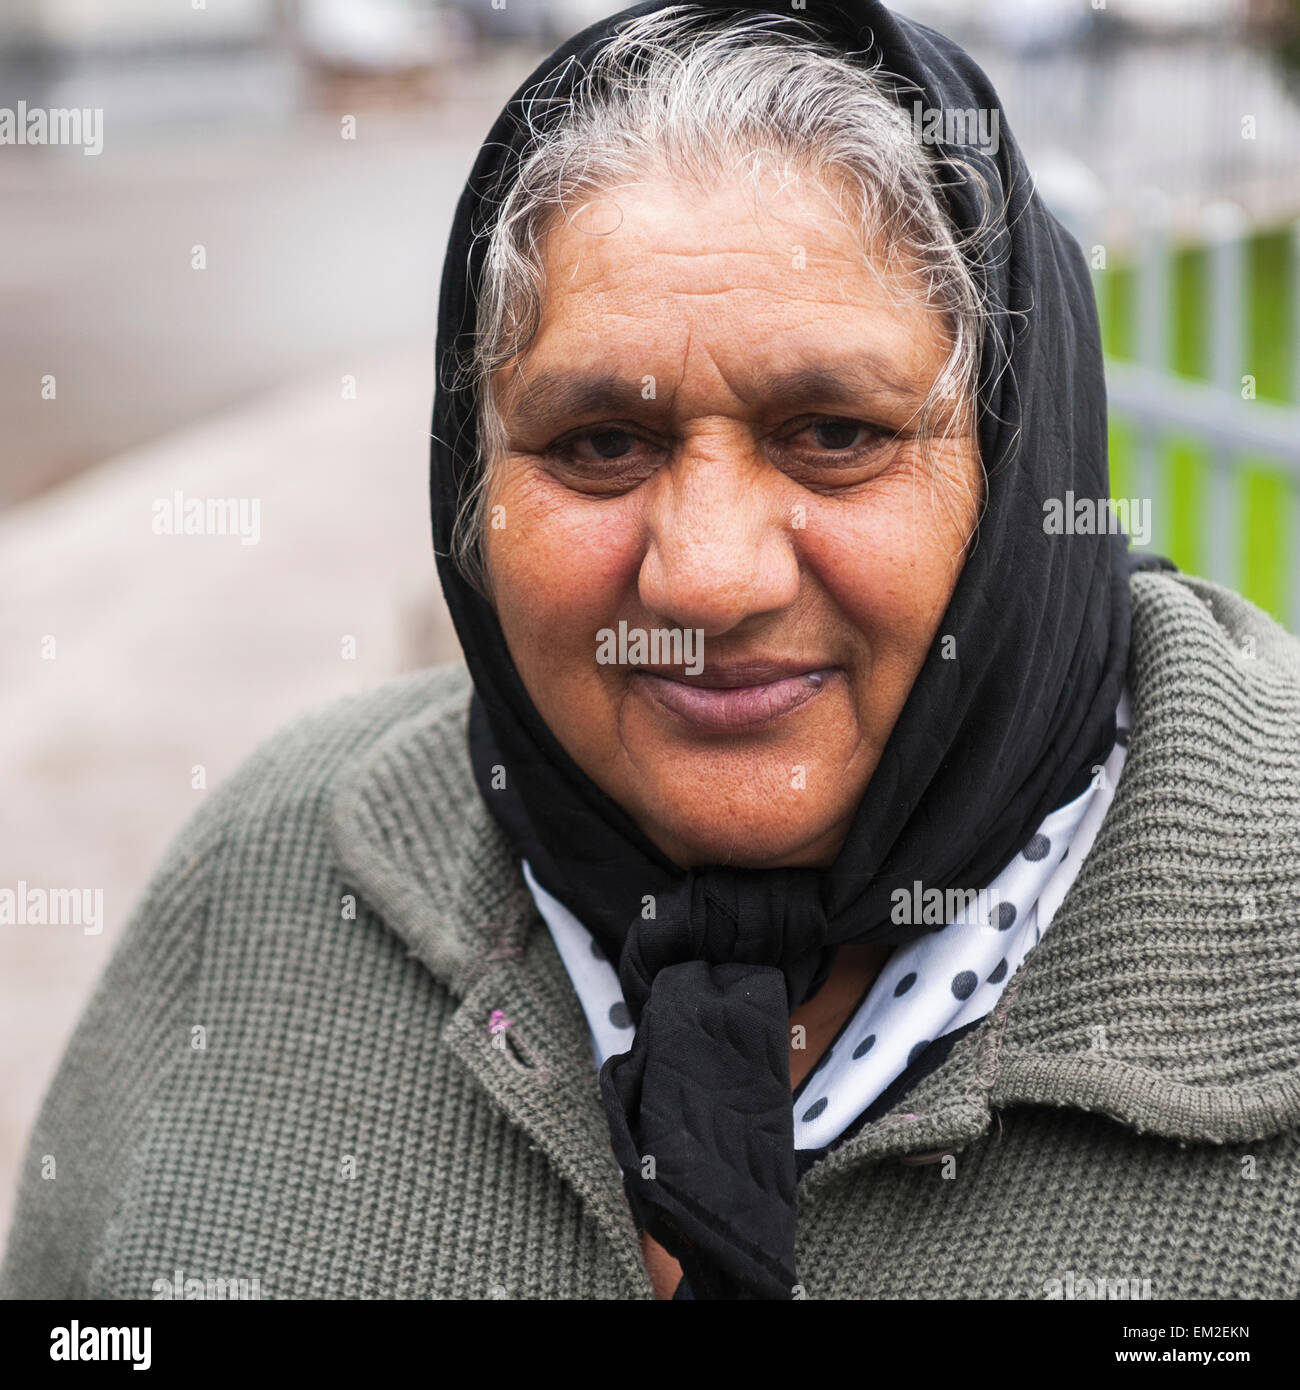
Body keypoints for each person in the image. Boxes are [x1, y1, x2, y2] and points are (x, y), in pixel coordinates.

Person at [4, 1, 1298, 1301]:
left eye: (834, 431)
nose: (709, 577)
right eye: (600, 446)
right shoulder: (268, 876)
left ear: (1021, 466)